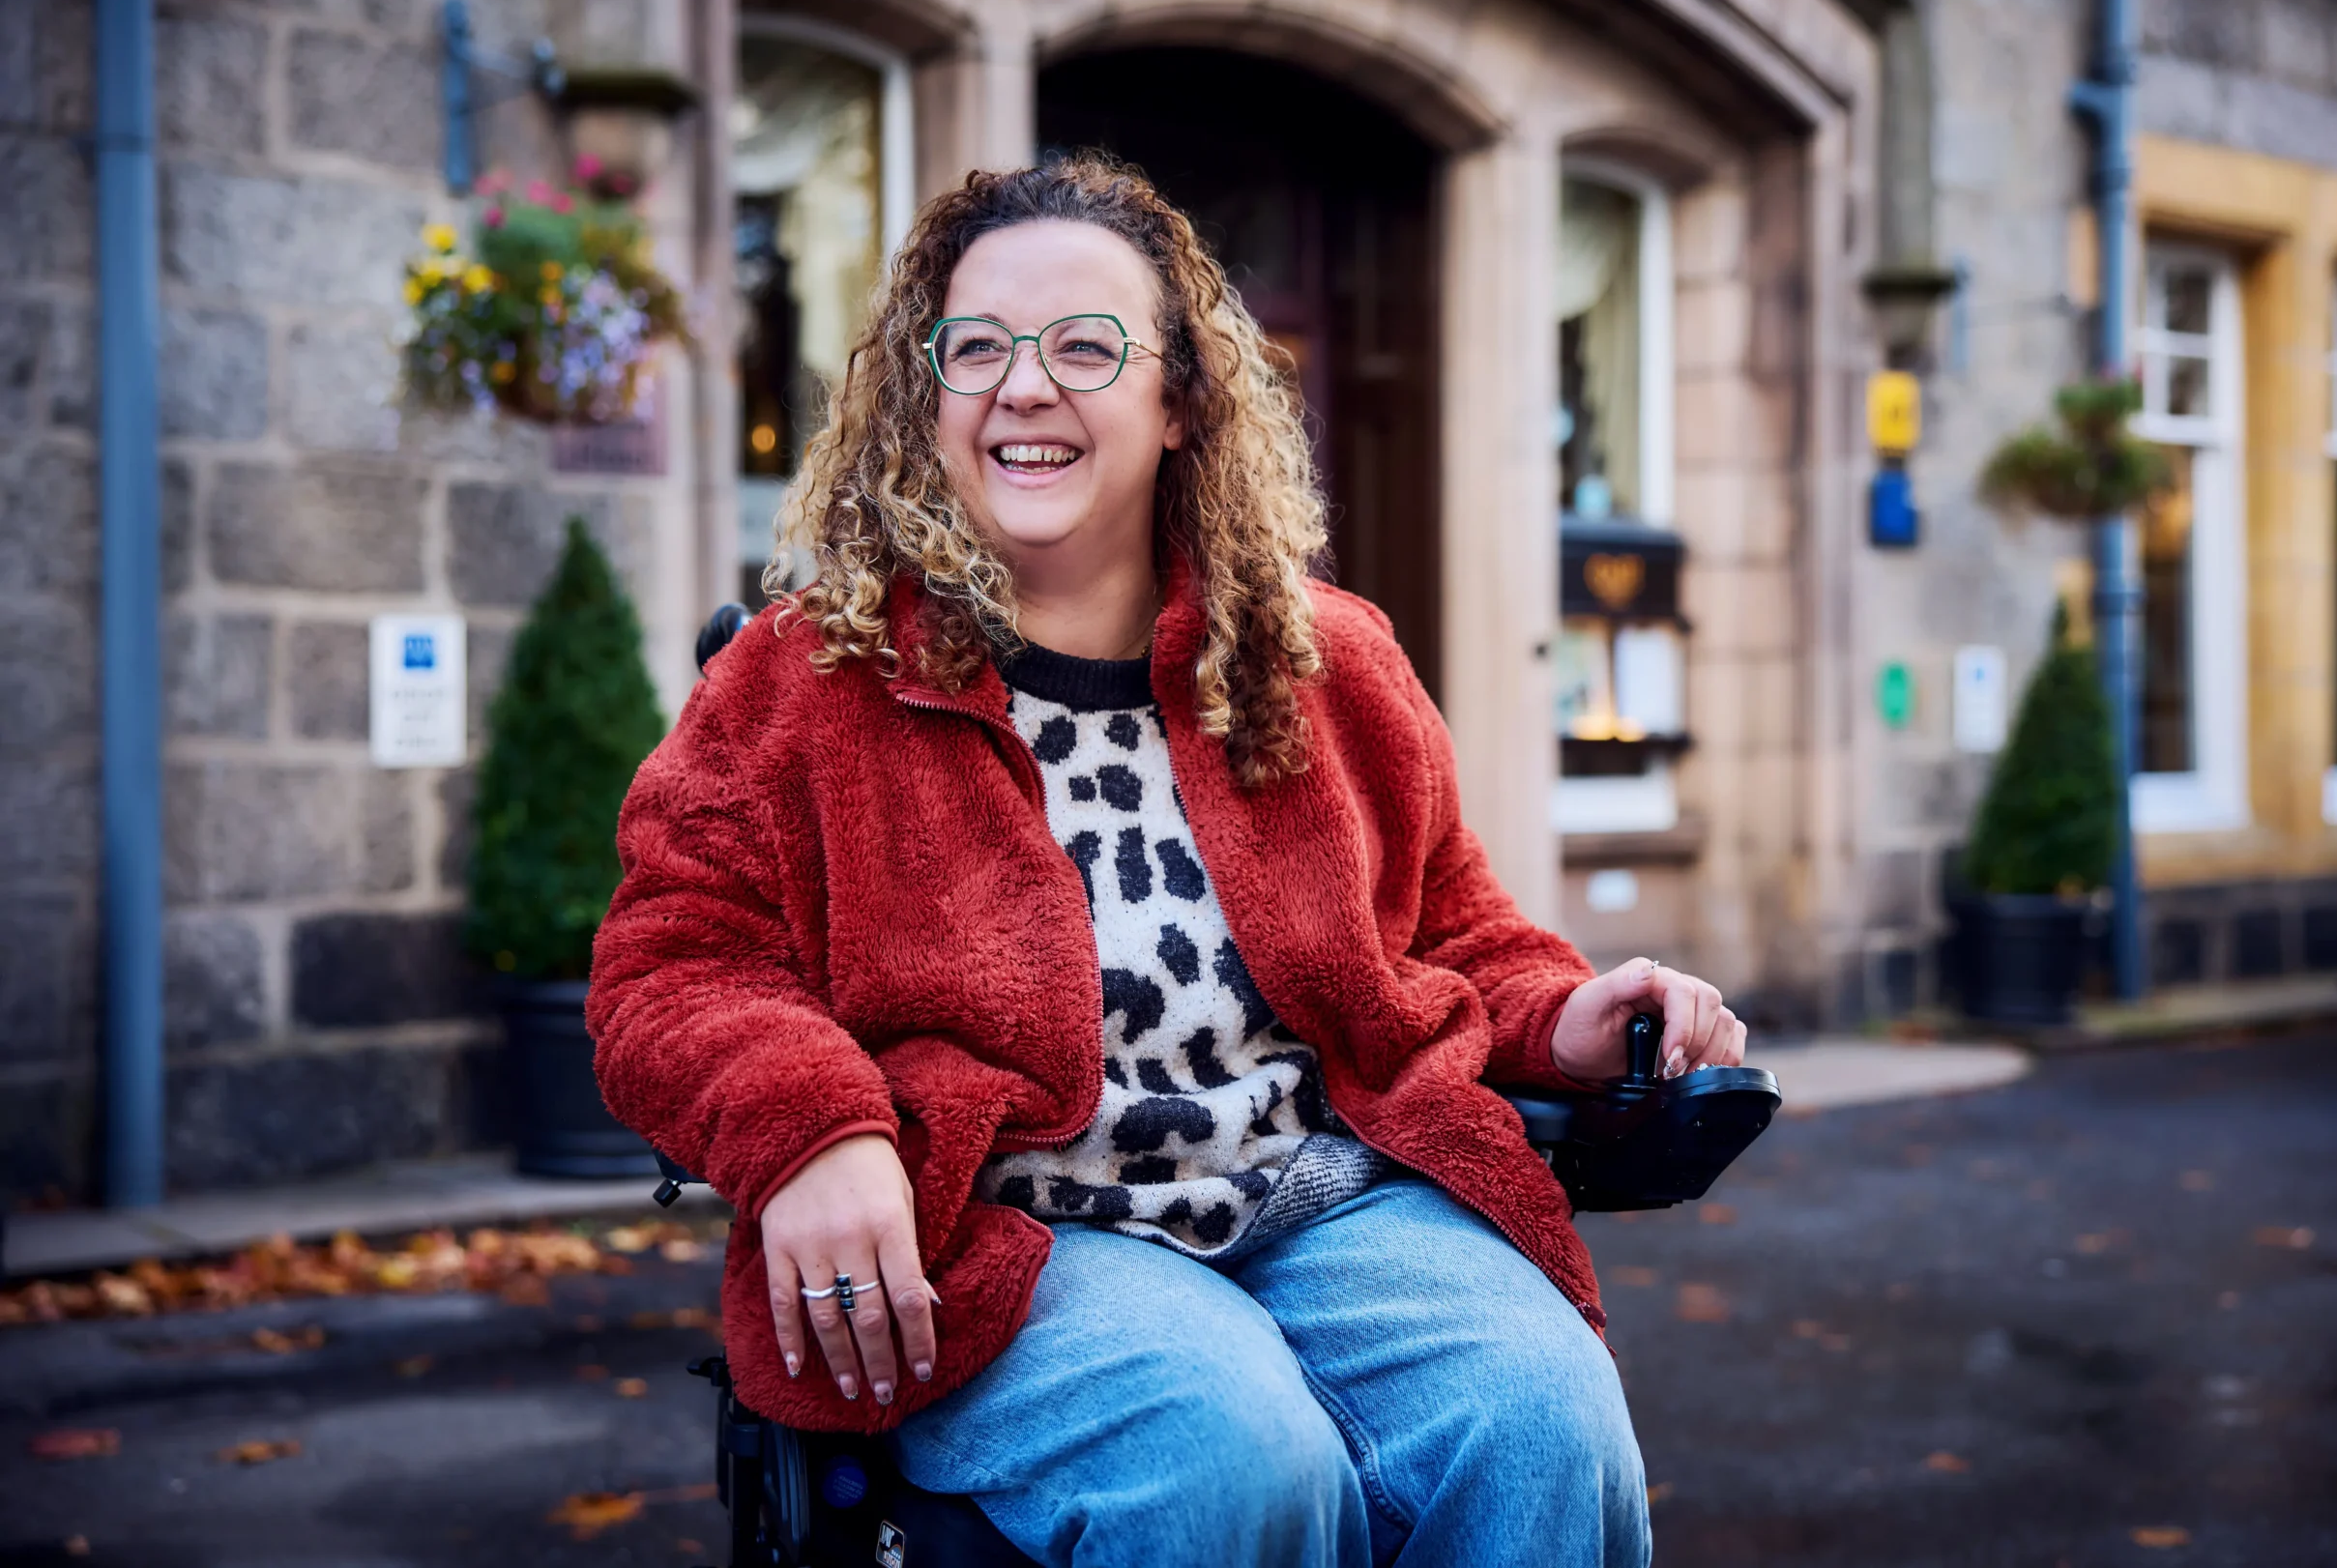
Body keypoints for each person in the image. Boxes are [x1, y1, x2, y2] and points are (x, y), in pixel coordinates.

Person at [588, 154, 1745, 1568]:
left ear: (1182, 397)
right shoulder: (806, 675)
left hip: (1322, 1192)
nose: (1025, 386)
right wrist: (814, 1126)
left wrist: (1567, 1016)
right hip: (1009, 1232)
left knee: (1544, 1425)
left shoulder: (1329, 662)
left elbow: (1452, 933)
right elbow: (671, 962)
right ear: (923, 394)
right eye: (979, 349)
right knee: (1235, 1462)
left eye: (1085, 346)